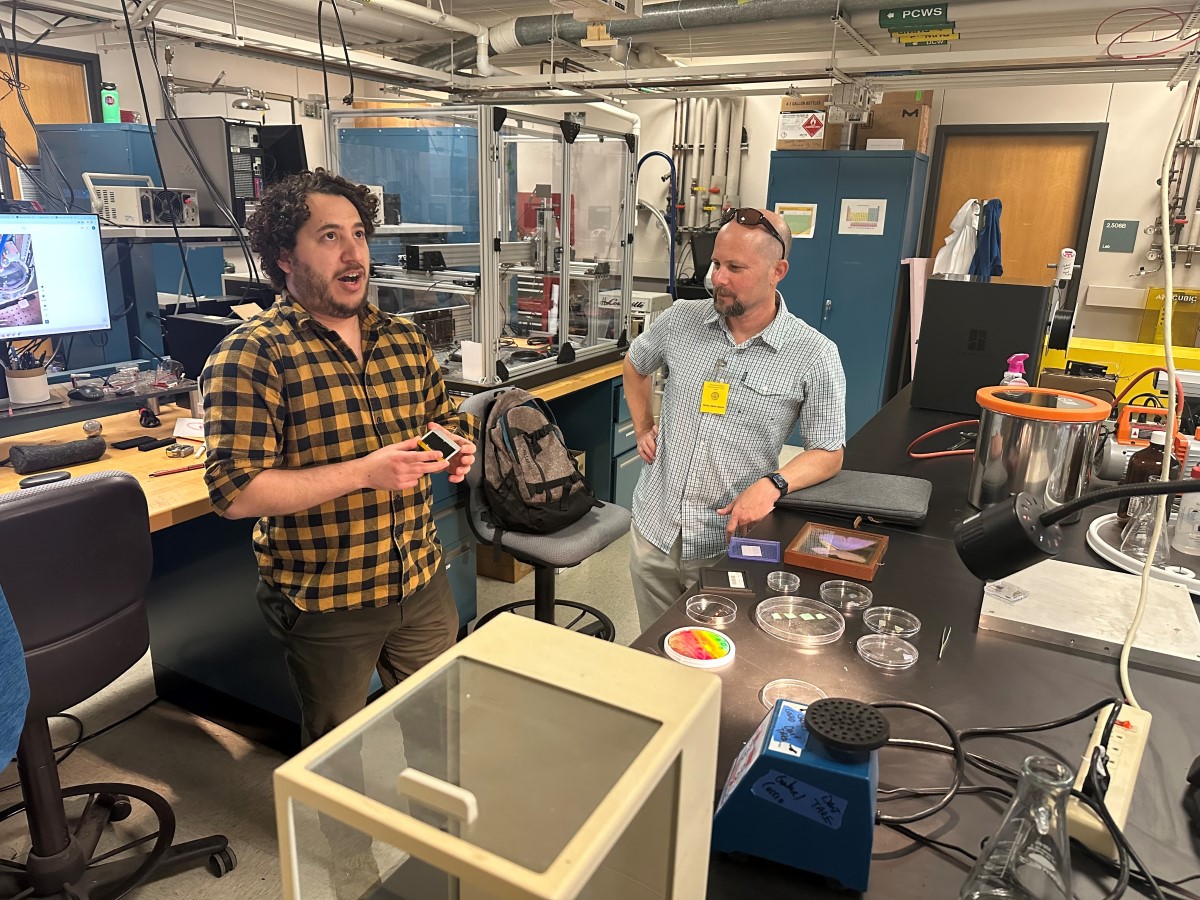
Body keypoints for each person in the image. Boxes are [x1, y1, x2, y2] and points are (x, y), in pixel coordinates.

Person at [202, 170, 477, 895]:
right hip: (327, 598)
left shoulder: (402, 340)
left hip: (418, 576)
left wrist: (456, 442)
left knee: (435, 723)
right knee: (337, 745)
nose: (353, 254)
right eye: (330, 237)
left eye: (358, 234)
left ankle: (439, 842)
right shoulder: (251, 355)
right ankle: (351, 863)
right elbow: (234, 492)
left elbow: (442, 414)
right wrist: (364, 472)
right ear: (285, 257)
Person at [623, 207, 846, 630]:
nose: (717, 278)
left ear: (777, 270)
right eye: (716, 263)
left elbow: (828, 451)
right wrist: (643, 426)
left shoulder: (814, 354)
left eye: (735, 267)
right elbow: (635, 364)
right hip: (655, 530)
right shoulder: (680, 320)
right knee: (655, 657)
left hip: (725, 542)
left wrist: (774, 483)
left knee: (716, 666)